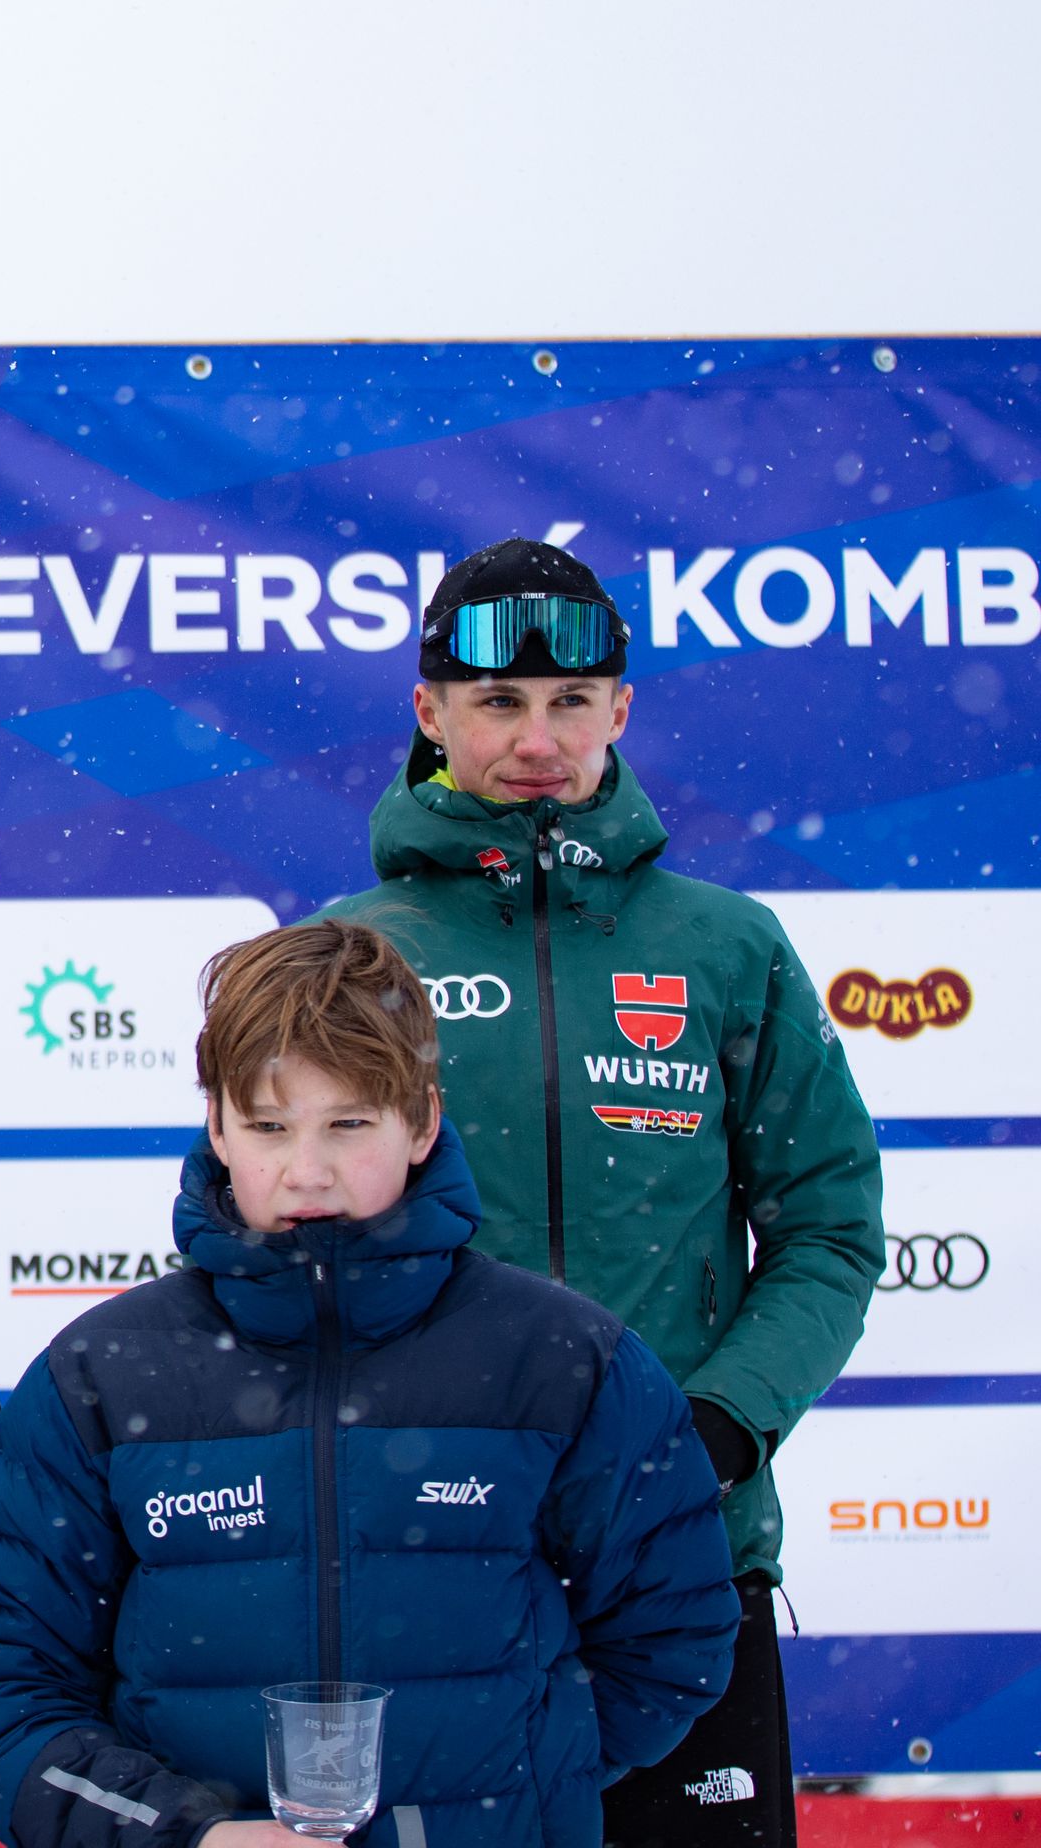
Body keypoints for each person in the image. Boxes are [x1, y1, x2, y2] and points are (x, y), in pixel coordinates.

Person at [0, 920, 741, 1848]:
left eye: (348, 1124)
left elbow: (673, 1642)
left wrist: (510, 1782)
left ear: (422, 1122)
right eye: (269, 1127)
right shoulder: (100, 1376)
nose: (305, 1172)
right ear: (217, 1128)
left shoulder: (564, 1359)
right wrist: (186, 1836)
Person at [325, 538, 884, 1847]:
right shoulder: (352, 954)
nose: (537, 737)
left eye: (572, 702)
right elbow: (288, 1243)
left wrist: (721, 1428)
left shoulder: (724, 946)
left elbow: (830, 1227)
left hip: (687, 1558)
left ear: (621, 710)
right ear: (430, 711)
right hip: (442, 1559)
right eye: (498, 702)